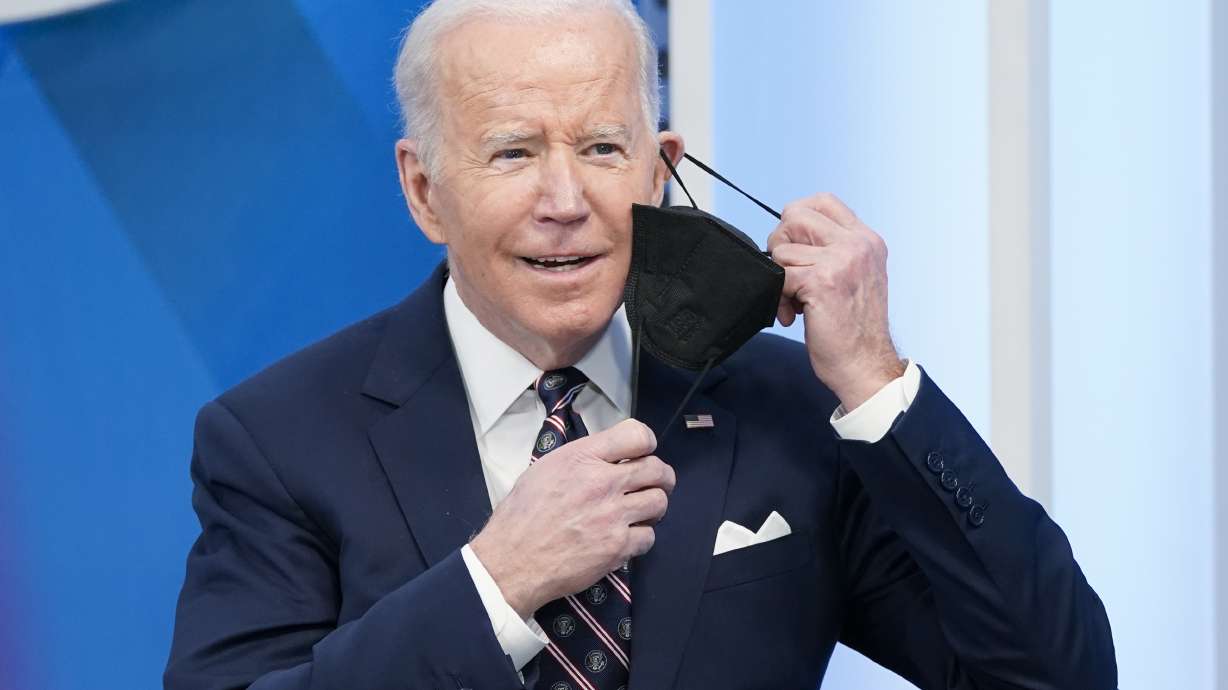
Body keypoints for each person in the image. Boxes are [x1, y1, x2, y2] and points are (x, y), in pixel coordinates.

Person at [164, 1, 1116, 688]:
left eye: (603, 148)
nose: (565, 201)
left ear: (662, 170)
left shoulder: (786, 412)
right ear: (424, 191)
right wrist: (495, 585)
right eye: (513, 151)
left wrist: (875, 382)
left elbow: (1057, 675)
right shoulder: (279, 439)